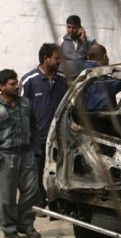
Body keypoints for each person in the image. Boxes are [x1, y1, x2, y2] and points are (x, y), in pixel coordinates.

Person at [21, 43, 68, 209]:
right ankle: (39, 204)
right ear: (45, 58)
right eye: (56, 58)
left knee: (60, 171)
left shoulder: (61, 79)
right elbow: (21, 110)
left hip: (59, 136)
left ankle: (58, 205)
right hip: (37, 137)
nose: (59, 61)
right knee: (36, 172)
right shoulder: (29, 81)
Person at [0, 69, 41, 238]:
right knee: (7, 196)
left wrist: (36, 149)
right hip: (6, 156)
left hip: (26, 154)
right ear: (2, 87)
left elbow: (33, 126)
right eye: (12, 84)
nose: (17, 86)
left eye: (17, 83)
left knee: (31, 191)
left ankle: (26, 224)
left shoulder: (25, 103)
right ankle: (9, 229)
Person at [81, 43, 121, 110]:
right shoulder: (99, 74)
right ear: (105, 56)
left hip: (86, 114)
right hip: (101, 115)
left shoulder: (83, 71)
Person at [60, 15, 96, 82]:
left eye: (74, 27)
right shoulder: (61, 40)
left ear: (80, 27)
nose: (71, 30)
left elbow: (94, 59)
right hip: (65, 80)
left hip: (84, 80)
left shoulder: (90, 40)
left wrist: (83, 40)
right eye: (69, 27)